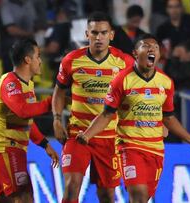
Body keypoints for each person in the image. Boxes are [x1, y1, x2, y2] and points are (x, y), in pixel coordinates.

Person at [76, 34, 190, 202]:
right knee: (139, 195)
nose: (151, 49)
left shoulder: (166, 82)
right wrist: (87, 135)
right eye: (146, 46)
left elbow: (168, 118)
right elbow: (106, 114)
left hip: (155, 150)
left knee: (144, 198)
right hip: (130, 147)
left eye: (155, 47)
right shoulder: (122, 80)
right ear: (135, 53)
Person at [52, 12, 134, 203]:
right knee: (72, 187)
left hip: (110, 139)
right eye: (95, 32)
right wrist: (56, 119)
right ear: (87, 34)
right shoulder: (71, 60)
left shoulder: (124, 63)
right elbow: (58, 92)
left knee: (107, 196)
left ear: (111, 35)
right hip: (77, 135)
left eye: (104, 33)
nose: (99, 37)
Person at [0, 38, 59, 203]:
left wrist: (45, 144)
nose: (40, 61)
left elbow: (27, 122)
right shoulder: (10, 83)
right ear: (28, 59)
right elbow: (22, 111)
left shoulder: (28, 85)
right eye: (38, 56)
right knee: (25, 196)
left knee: (4, 200)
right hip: (6, 147)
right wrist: (52, 102)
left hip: (16, 148)